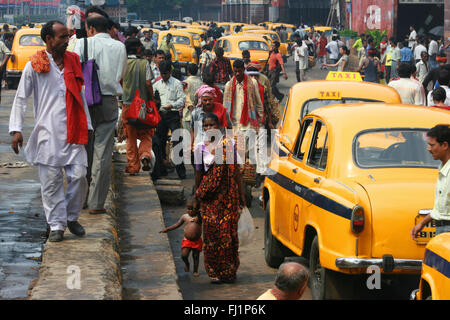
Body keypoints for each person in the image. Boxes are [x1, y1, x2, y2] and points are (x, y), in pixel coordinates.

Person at [9, 21, 92, 242]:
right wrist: (16, 129)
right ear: (49, 40)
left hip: (74, 130)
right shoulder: (35, 65)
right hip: (48, 133)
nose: (67, 41)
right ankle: (56, 224)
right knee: (52, 182)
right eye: (62, 37)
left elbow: (81, 96)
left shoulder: (73, 61)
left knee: (80, 176)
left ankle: (72, 217)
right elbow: (20, 99)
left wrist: (89, 125)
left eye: (68, 36)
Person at [73, 15, 127, 214]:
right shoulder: (119, 47)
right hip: (108, 101)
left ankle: (81, 199)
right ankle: (96, 203)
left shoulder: (81, 43)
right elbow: (120, 75)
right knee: (102, 153)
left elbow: (75, 71)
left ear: (91, 29)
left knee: (83, 150)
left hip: (85, 101)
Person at [193, 113, 246, 283]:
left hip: (227, 198)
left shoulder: (227, 145)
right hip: (209, 198)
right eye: (206, 126)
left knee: (227, 235)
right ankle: (214, 271)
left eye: (211, 125)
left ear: (218, 126)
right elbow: (198, 173)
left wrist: (241, 195)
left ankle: (229, 271)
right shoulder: (200, 147)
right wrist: (196, 196)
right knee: (211, 235)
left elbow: (235, 172)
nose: (209, 128)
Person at [120, 38, 154, 175]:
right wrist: (151, 99)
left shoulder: (123, 64)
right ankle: (145, 155)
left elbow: (119, 81)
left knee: (130, 136)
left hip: (127, 104)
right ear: (139, 49)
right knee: (146, 134)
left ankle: (133, 166)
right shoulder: (144, 63)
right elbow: (148, 83)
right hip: (142, 106)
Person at [411, 125, 450, 239]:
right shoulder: (443, 169)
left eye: (432, 145)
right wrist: (422, 223)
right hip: (441, 230)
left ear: (445, 145)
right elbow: (440, 209)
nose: (428, 148)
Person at [152, 60, 186, 180]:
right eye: (162, 73)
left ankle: (181, 171)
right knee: (159, 141)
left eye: (166, 73)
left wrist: (172, 105)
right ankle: (162, 168)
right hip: (161, 115)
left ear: (170, 72)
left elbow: (182, 100)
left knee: (177, 141)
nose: (164, 76)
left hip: (173, 115)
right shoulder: (156, 84)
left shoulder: (177, 83)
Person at [159, 200, 202, 277]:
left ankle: (195, 271)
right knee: (184, 255)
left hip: (197, 241)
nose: (190, 211)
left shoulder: (198, 217)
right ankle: (187, 264)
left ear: (198, 209)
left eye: (193, 209)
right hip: (187, 240)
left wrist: (198, 214)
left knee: (196, 256)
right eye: (188, 208)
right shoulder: (185, 216)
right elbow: (177, 225)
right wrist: (167, 229)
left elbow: (201, 220)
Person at [190, 85, 231, 150]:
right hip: (202, 146)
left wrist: (228, 142)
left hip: (218, 146)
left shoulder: (222, 110)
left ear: (213, 99)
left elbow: (229, 127)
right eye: (205, 100)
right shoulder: (195, 113)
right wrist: (190, 145)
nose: (208, 102)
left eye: (210, 100)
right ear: (201, 100)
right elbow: (192, 129)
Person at [182, 63, 203, 131]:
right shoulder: (201, 82)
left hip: (187, 113)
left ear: (188, 71)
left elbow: (184, 96)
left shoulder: (185, 82)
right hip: (198, 114)